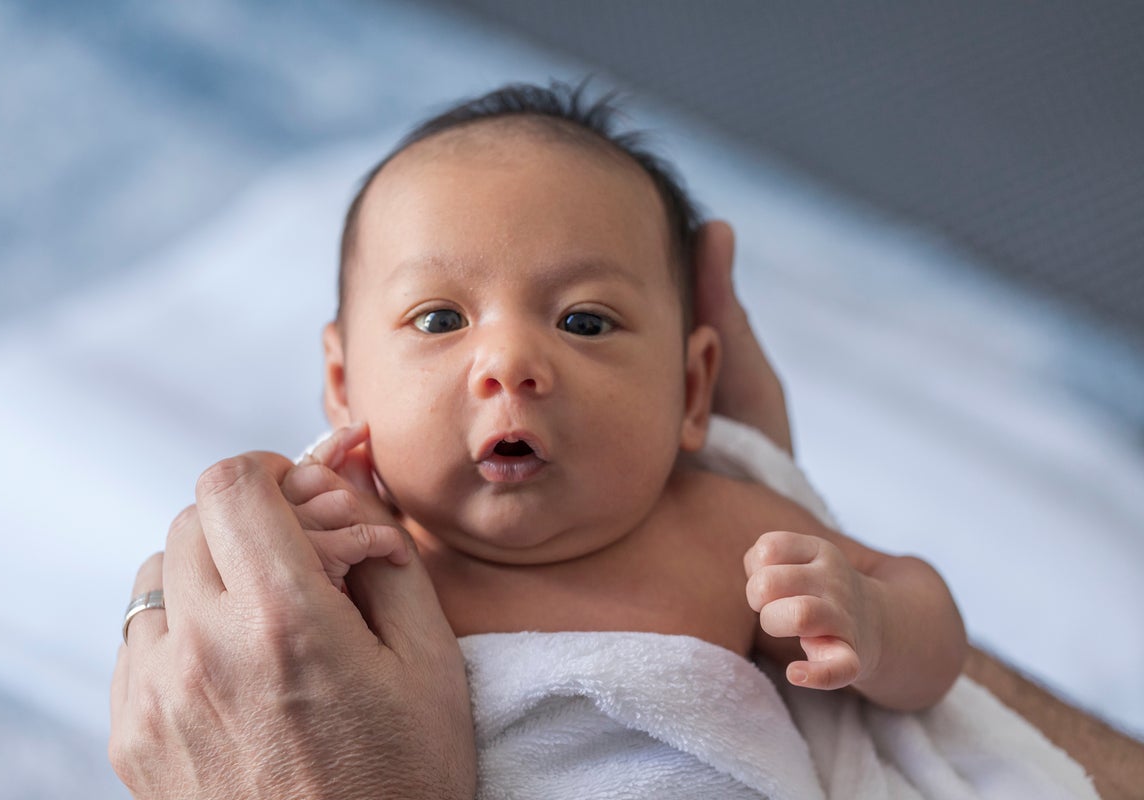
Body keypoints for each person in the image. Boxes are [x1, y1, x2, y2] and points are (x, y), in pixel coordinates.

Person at [110, 86, 1144, 800]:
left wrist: (867, 618)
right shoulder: (351, 558)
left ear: (693, 391)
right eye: (438, 319)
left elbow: (935, 647)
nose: (510, 364)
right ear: (342, 382)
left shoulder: (728, 526)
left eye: (587, 320)